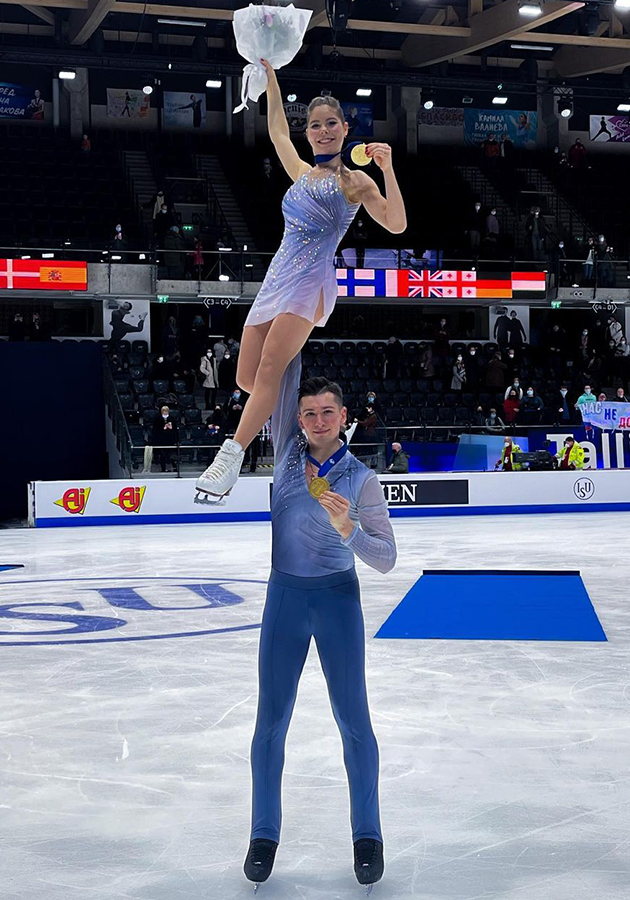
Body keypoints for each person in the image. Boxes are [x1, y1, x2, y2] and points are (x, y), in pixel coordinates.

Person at [195, 58, 406, 501]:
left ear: (346, 128)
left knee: (270, 368)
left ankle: (229, 457)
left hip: (311, 281)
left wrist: (386, 169)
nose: (323, 131)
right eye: (314, 125)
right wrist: (271, 78)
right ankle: (312, 423)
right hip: (277, 276)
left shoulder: (355, 181)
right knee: (247, 378)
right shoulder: (300, 173)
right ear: (307, 131)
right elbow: (275, 130)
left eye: (331, 123)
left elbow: (396, 224)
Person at [243, 356, 395, 891]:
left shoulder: (361, 478)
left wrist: (349, 528)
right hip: (284, 598)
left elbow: (386, 558)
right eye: (309, 413)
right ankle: (263, 834)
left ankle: (367, 836)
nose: (318, 420)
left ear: (344, 416)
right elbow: (283, 365)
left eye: (328, 412)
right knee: (270, 722)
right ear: (299, 420)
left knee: (354, 722)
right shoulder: (286, 453)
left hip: (337, 602)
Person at [151, 405, 179, 473]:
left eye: (166, 411)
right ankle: (163, 469)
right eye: (163, 411)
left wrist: (176, 439)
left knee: (171, 455)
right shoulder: (157, 419)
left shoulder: (172, 419)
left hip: (170, 439)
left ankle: (175, 468)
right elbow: (155, 430)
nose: (165, 412)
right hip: (160, 440)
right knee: (162, 455)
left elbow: (175, 430)